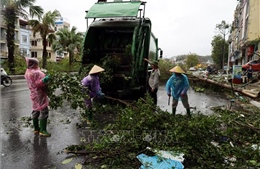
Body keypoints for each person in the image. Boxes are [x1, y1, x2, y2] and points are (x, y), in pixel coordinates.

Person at [24, 57, 51, 137]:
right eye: (36, 63)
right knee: (44, 110)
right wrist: (45, 80)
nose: (37, 65)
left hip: (33, 94)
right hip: (39, 94)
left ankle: (36, 129)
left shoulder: (28, 72)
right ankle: (43, 130)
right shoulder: (36, 73)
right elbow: (38, 84)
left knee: (36, 109)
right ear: (34, 64)